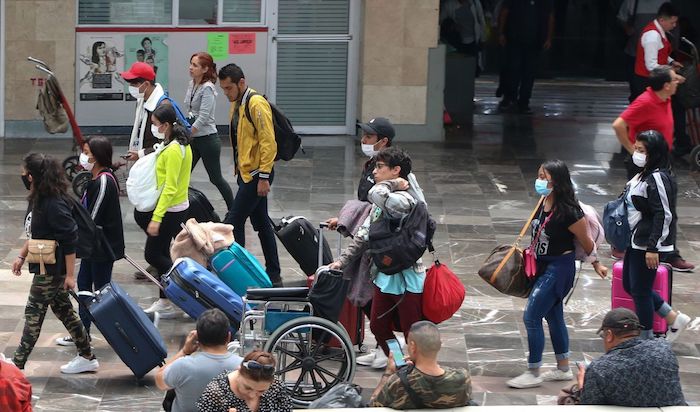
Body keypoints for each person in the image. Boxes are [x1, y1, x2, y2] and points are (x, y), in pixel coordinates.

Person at [507, 160, 607, 389]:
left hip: (559, 269)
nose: (540, 181)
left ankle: (533, 371)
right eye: (539, 176)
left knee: (531, 316)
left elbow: (587, 242)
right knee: (553, 316)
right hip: (541, 266)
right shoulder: (543, 202)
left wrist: (597, 264)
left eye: (545, 178)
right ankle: (563, 368)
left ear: (557, 182)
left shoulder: (570, 213)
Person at [329, 147, 426, 367]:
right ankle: (401, 363)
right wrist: (341, 262)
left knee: (412, 331)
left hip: (406, 277)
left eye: (380, 167)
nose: (374, 171)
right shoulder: (380, 205)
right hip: (384, 276)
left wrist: (393, 184)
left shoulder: (403, 200)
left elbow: (377, 193)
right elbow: (363, 235)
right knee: (378, 327)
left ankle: (418, 371)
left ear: (396, 171)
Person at [11, 153, 98, 374]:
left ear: (31, 176)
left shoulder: (54, 204)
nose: (22, 174)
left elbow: (70, 240)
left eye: (24, 171)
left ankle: (17, 364)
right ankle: (87, 355)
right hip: (43, 261)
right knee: (65, 310)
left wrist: (70, 276)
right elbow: (35, 232)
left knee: (33, 312)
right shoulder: (40, 197)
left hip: (52, 268)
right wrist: (22, 255)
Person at [611, 66, 694, 272]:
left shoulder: (664, 99)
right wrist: (633, 150)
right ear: (666, 85)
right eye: (674, 80)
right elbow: (619, 124)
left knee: (659, 209)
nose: (678, 82)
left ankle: (657, 249)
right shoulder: (645, 101)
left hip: (662, 162)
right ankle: (665, 252)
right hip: (647, 164)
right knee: (655, 209)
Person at [620, 130, 691, 340]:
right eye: (636, 149)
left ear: (654, 152)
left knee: (641, 291)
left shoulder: (659, 177)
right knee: (630, 285)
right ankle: (672, 318)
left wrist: (653, 247)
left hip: (648, 244)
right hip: (635, 240)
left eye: (641, 150)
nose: (636, 153)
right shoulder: (644, 173)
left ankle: (646, 340)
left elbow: (664, 213)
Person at [55, 136, 124, 347]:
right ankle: (81, 334)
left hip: (102, 248)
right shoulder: (93, 180)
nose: (84, 156)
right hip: (92, 247)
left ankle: (124, 330)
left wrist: (73, 235)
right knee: (84, 288)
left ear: (97, 155)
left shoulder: (104, 181)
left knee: (102, 294)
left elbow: (91, 218)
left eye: (87, 152)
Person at [218, 63, 282, 287]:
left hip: (256, 175)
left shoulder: (256, 103)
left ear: (241, 83)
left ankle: (240, 272)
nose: (226, 93)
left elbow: (268, 142)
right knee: (262, 222)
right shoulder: (237, 103)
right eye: (224, 89)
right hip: (245, 173)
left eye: (229, 88)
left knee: (233, 222)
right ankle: (273, 273)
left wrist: (264, 176)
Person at [135, 104, 193, 318]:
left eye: (156, 125)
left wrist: (157, 218)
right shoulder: (175, 144)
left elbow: (170, 187)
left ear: (166, 125)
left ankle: (185, 290)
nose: (154, 128)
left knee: (153, 254)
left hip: (171, 208)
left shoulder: (175, 150)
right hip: (174, 206)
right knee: (161, 253)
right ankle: (165, 300)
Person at [577, 308, 686, 406]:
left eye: (603, 335)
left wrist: (583, 384)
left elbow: (589, 406)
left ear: (609, 335)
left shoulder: (599, 369)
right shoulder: (664, 348)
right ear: (637, 332)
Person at [121, 61, 168, 281]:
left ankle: (161, 261)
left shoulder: (161, 105)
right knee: (145, 214)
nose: (130, 86)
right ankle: (157, 259)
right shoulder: (144, 101)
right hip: (150, 162)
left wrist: (142, 154)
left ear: (146, 84)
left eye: (133, 82)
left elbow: (169, 140)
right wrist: (139, 154)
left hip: (160, 167)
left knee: (146, 215)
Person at [369, 321, 472, 409]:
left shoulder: (397, 382)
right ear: (440, 345)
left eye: (408, 344)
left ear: (413, 347)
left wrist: (388, 373)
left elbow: (373, 407)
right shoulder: (462, 378)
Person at [156, 309, 242, 412]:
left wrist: (183, 352)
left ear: (198, 338)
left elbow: (159, 380)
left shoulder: (183, 366)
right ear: (228, 337)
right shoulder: (243, 366)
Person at [185, 52, 234, 209]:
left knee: (215, 178)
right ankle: (182, 208)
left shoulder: (208, 88)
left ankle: (233, 209)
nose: (191, 68)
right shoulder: (192, 84)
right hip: (194, 138)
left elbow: (204, 116)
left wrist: (189, 131)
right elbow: (190, 109)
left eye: (195, 65)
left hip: (207, 139)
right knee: (183, 175)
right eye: (191, 64)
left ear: (205, 69)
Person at [497, 0, 554, 114]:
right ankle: (516, 99)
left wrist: (548, 38)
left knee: (523, 72)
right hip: (519, 40)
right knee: (519, 72)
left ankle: (519, 100)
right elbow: (550, 17)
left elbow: (550, 17)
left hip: (528, 41)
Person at [197, 351, 292, 412]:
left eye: (261, 391)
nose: (252, 395)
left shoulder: (277, 389)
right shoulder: (215, 393)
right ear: (238, 370)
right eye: (247, 387)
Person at [617, 0, 667, 103]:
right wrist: (627, 28)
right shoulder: (631, 2)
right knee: (636, 91)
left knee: (658, 91)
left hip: (657, 54)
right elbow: (621, 18)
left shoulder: (663, 2)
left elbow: (672, 22)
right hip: (634, 53)